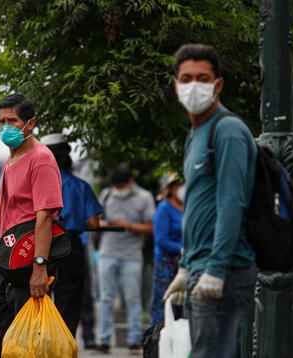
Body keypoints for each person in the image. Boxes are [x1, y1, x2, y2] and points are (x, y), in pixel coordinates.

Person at [163, 44, 257, 358]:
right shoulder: (196, 133)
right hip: (200, 268)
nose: (193, 86)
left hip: (223, 271)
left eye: (202, 78)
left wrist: (215, 269)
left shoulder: (227, 130)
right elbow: (198, 206)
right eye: (186, 78)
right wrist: (187, 267)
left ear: (217, 85)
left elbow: (232, 203)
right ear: (176, 85)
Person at [0, 94, 63, 357]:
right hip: (4, 261)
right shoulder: (11, 158)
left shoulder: (41, 158)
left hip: (28, 263)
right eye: (1, 122)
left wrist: (39, 267)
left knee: (23, 344)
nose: (6, 127)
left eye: (12, 121)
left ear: (30, 123)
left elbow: (45, 216)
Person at [42, 133, 104, 349]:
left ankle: (43, 346)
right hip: (72, 248)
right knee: (69, 304)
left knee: (39, 299)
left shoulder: (38, 185)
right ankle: (64, 348)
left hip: (43, 245)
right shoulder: (81, 186)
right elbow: (94, 225)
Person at [96, 164, 155, 355]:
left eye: (121, 186)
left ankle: (134, 340)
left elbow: (151, 227)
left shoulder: (144, 198)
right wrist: (108, 224)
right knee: (106, 298)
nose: (118, 190)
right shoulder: (107, 194)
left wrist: (128, 226)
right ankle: (104, 340)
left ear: (130, 182)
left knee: (133, 298)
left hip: (132, 255)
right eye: (116, 187)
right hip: (108, 253)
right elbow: (95, 221)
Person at [149, 175, 184, 326]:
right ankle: (156, 342)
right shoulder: (164, 208)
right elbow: (161, 240)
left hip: (185, 263)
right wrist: (181, 249)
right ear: (170, 189)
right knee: (163, 303)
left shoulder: (189, 208)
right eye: (177, 185)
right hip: (166, 263)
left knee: (180, 307)